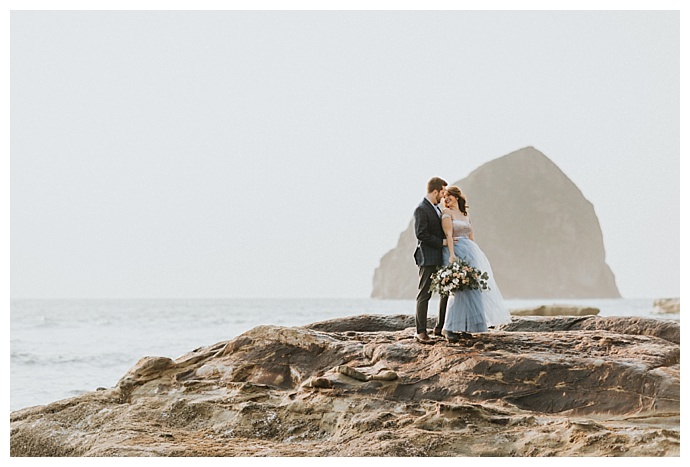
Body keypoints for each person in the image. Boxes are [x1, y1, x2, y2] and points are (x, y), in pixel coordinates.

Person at [440, 186, 511, 341]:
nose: (446, 199)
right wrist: (452, 256)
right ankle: (449, 327)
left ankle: (467, 327)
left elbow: (471, 237)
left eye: (449, 196)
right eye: (444, 197)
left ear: (456, 197)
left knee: (474, 289)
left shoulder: (465, 215)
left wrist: (476, 256)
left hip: (471, 252)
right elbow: (449, 235)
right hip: (456, 251)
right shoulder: (447, 213)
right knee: (459, 290)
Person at [413, 177, 451, 344]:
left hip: (440, 257)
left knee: (445, 292)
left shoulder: (437, 208)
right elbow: (421, 234)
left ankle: (439, 327)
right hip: (428, 257)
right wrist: (441, 242)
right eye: (442, 192)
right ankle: (420, 332)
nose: (443, 196)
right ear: (435, 191)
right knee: (425, 294)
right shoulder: (421, 209)